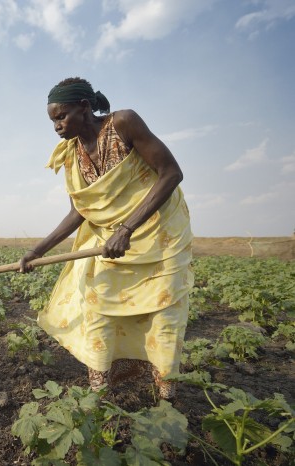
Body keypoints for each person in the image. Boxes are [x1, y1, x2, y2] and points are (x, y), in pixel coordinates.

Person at [19, 77, 193, 400]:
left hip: (160, 236)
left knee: (162, 316)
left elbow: (171, 172)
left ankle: (167, 403)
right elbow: (78, 212)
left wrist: (126, 228)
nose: (56, 126)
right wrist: (36, 250)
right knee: (98, 308)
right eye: (52, 120)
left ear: (84, 107)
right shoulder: (70, 154)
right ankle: (99, 398)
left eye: (61, 117)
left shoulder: (123, 123)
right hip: (111, 243)